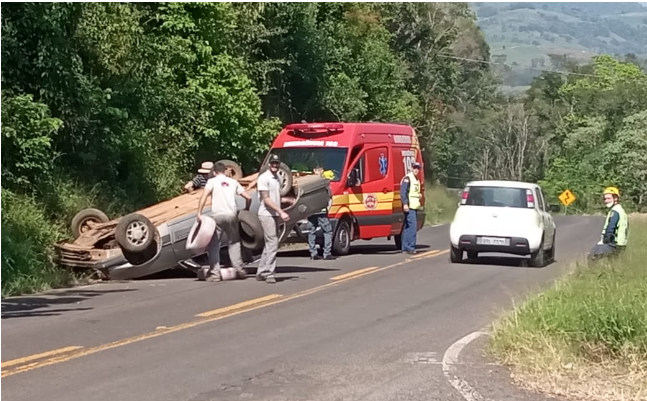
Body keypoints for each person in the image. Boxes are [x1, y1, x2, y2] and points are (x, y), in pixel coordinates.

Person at [196, 162, 252, 282]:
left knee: (214, 244)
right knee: (234, 242)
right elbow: (248, 197)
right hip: (231, 214)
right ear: (225, 171)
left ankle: (215, 274)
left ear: (215, 172)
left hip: (217, 216)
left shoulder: (212, 182)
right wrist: (246, 210)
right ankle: (240, 269)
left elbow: (204, 196)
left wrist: (199, 213)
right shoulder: (233, 182)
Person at [256, 154, 290, 283]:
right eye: (273, 163)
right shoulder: (264, 178)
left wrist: (287, 201)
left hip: (275, 214)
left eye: (277, 163)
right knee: (273, 242)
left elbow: (277, 196)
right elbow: (266, 199)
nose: (275, 165)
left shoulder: (279, 178)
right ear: (269, 164)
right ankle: (269, 272)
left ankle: (261, 271)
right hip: (266, 214)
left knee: (270, 243)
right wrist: (281, 211)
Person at [588, 186, 629, 261]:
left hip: (614, 243)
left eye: (609, 198)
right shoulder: (620, 210)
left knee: (592, 256)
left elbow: (611, 227)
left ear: (615, 198)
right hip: (620, 243)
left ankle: (594, 272)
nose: (606, 201)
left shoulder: (615, 211)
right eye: (605, 199)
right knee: (612, 263)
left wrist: (605, 241)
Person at [307, 165, 336, 261]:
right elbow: (330, 196)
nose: (319, 171)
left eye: (320, 170)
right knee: (327, 231)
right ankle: (327, 253)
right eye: (318, 170)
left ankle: (313, 253)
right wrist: (329, 208)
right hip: (321, 211)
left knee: (312, 231)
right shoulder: (323, 182)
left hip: (311, 211)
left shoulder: (309, 182)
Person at [399, 162, 422, 254]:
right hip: (409, 206)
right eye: (415, 168)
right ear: (412, 168)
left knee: (408, 227)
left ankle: (405, 247)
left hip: (414, 206)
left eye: (418, 168)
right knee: (412, 227)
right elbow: (403, 192)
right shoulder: (408, 178)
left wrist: (419, 195)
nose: (416, 170)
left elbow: (413, 192)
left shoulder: (416, 179)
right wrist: (405, 203)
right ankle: (411, 247)